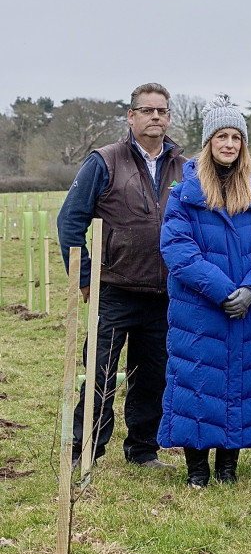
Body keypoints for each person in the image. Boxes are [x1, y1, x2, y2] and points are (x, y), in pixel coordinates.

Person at [57, 82, 186, 470]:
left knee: (152, 375)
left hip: (164, 292)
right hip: (113, 290)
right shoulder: (105, 161)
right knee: (100, 373)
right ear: (131, 116)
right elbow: (70, 222)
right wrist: (84, 278)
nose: (155, 118)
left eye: (161, 111)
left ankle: (143, 450)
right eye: (147, 111)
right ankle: (86, 451)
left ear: (168, 117)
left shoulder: (185, 165)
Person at [157, 98, 251, 487]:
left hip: (247, 308)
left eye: (236, 137)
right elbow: (178, 250)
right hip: (200, 308)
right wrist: (225, 291)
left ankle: (227, 466)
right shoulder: (186, 192)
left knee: (240, 383)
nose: (229, 144)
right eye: (221, 136)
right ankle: (197, 469)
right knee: (198, 383)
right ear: (208, 142)